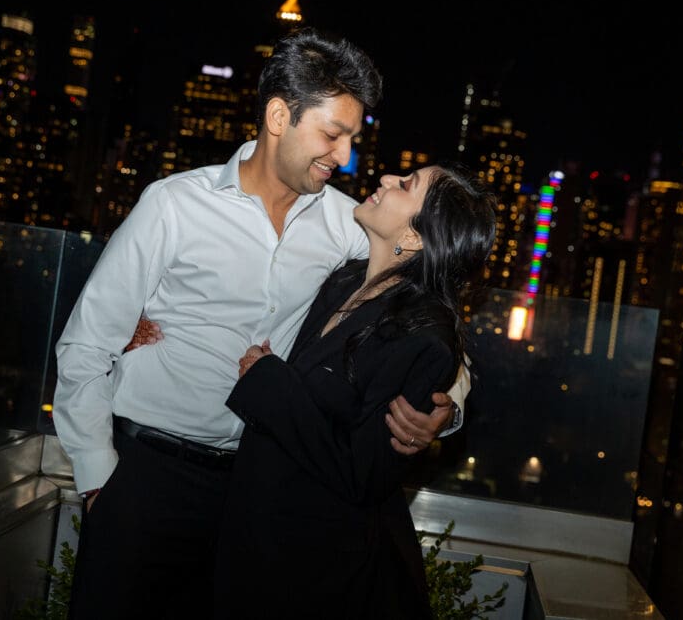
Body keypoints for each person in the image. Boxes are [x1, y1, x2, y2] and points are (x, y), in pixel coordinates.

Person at [52, 27, 467, 619]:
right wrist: (100, 482)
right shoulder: (174, 205)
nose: (345, 156)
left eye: (352, 138)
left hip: (255, 496)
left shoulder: (350, 226)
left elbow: (423, 314)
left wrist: (445, 406)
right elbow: (88, 343)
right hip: (146, 479)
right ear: (279, 117)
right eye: (333, 134)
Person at [212, 163, 496, 619]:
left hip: (312, 569)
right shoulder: (346, 278)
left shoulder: (425, 338)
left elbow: (362, 473)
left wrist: (267, 381)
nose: (385, 180)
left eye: (406, 185)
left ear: (416, 236)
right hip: (256, 536)